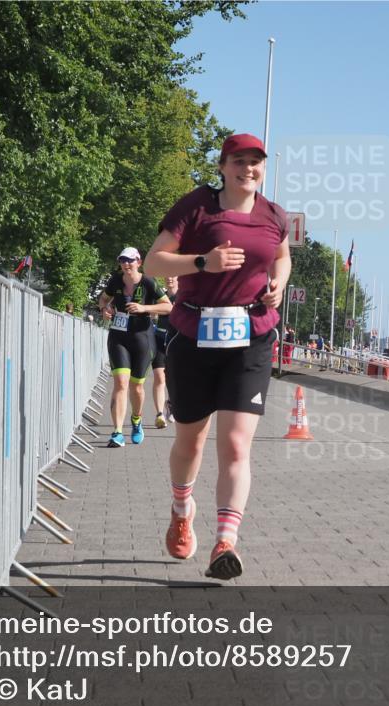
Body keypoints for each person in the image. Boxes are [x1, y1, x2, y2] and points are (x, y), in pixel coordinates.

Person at [142, 133, 291, 580]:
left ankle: (225, 541)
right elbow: (153, 263)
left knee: (235, 444)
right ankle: (182, 509)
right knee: (191, 441)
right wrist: (202, 262)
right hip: (194, 333)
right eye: (240, 161)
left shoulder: (273, 215)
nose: (249, 169)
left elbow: (281, 256)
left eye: (257, 162)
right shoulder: (197, 207)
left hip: (252, 336)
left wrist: (278, 281)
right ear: (223, 165)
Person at [98, 247, 173, 447]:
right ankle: (117, 432)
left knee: (136, 386)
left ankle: (137, 420)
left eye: (130, 260)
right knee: (120, 383)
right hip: (118, 336)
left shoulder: (148, 282)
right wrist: (104, 309)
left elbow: (168, 306)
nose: (126, 264)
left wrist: (144, 308)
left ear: (138, 262)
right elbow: (104, 299)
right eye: (123, 260)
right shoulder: (115, 281)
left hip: (142, 337)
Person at [150, 276, 179, 428]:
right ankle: (159, 414)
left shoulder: (184, 296)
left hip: (177, 341)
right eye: (167, 276)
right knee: (159, 377)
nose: (170, 279)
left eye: (173, 276)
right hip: (159, 338)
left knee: (175, 377)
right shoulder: (160, 296)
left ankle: (171, 403)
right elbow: (151, 312)